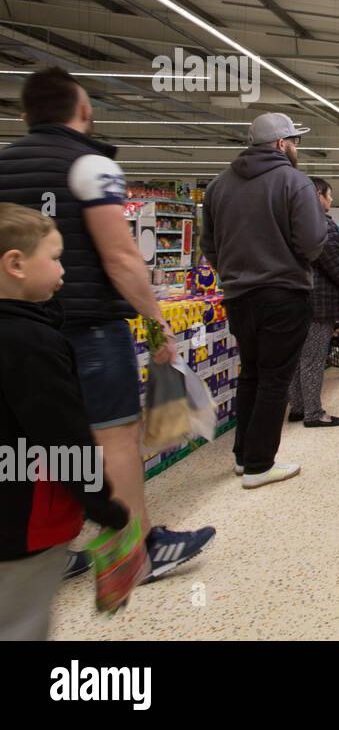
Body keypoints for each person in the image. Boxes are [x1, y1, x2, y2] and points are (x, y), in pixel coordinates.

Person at [0, 67, 214, 581]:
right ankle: (131, 553)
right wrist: (159, 326)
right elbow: (121, 258)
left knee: (29, 439)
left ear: (25, 115)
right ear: (84, 112)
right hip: (89, 326)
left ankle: (50, 544)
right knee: (114, 437)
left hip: (16, 327)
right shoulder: (90, 166)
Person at [0, 204, 144, 639]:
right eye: (56, 255)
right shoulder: (33, 344)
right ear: (16, 264)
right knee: (21, 621)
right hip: (22, 517)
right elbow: (62, 436)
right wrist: (105, 506)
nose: (64, 267)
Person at [203, 112, 328, 489]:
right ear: (280, 144)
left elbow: (209, 246)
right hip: (283, 291)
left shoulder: (217, 186)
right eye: (294, 142)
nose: (296, 149)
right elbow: (311, 242)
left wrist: (235, 273)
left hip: (238, 295)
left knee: (252, 373)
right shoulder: (294, 182)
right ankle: (260, 464)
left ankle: (243, 456)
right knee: (276, 377)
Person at [287, 178, 339, 428]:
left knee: (297, 357)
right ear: (318, 195)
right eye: (329, 195)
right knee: (314, 358)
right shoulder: (322, 225)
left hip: (293, 298)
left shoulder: (290, 221)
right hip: (320, 299)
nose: (330, 201)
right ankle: (314, 413)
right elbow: (336, 265)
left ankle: (298, 406)